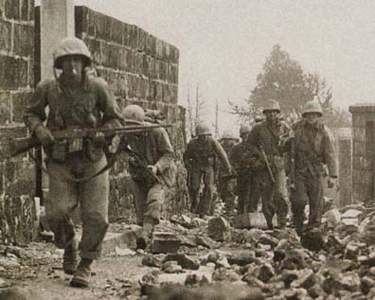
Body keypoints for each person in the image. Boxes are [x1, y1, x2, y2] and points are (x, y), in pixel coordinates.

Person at [23, 37, 123, 287]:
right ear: (59, 65)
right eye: (66, 62)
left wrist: (104, 132)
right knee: (55, 213)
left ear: (85, 62)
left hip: (92, 160)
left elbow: (115, 119)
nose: (72, 67)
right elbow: (31, 113)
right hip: (61, 161)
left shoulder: (99, 87)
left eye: (76, 61)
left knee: (96, 216)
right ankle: (69, 244)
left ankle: (86, 264)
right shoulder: (47, 88)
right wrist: (39, 130)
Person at [121, 104, 176, 248]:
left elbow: (169, 154)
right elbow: (119, 149)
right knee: (141, 211)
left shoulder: (157, 132)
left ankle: (145, 237)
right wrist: (129, 158)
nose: (131, 130)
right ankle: (145, 235)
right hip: (140, 175)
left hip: (161, 175)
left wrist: (157, 167)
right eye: (128, 126)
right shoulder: (125, 134)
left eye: (134, 126)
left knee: (154, 200)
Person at [289, 100, 337, 236]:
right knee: (299, 200)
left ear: (318, 115)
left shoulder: (324, 131)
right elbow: (284, 147)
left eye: (314, 115)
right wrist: (289, 139)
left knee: (316, 203)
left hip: (316, 171)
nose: (311, 118)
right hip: (299, 171)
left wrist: (333, 176)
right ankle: (298, 225)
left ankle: (313, 230)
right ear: (305, 116)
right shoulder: (296, 128)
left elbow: (330, 153)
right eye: (308, 115)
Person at [246, 99, 290, 230]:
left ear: (278, 113)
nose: (271, 115)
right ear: (265, 114)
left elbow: (290, 145)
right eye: (268, 113)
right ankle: (270, 222)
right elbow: (249, 146)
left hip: (279, 164)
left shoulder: (284, 127)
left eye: (274, 112)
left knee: (281, 193)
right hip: (263, 165)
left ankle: (282, 219)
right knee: (267, 196)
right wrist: (257, 158)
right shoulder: (258, 128)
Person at [183, 123, 232, 217]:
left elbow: (222, 155)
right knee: (194, 187)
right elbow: (186, 156)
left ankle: (205, 211)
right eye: (201, 136)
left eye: (205, 135)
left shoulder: (212, 142)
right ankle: (194, 205)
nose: (203, 138)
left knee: (209, 187)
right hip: (196, 166)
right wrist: (188, 166)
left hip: (208, 166)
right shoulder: (192, 143)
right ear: (198, 136)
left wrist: (228, 168)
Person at [230, 124, 260, 214]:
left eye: (248, 134)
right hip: (242, 174)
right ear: (241, 136)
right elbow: (230, 160)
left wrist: (255, 164)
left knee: (254, 193)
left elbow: (261, 158)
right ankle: (241, 213)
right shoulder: (236, 148)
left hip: (254, 173)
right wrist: (234, 169)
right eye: (244, 135)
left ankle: (252, 212)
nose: (246, 136)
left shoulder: (256, 147)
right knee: (242, 194)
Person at [218, 130, 238, 220]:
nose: (228, 142)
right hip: (223, 173)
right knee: (223, 191)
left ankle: (230, 209)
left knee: (230, 190)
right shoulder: (220, 147)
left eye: (230, 139)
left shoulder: (236, 148)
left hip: (233, 174)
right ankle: (227, 206)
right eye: (226, 140)